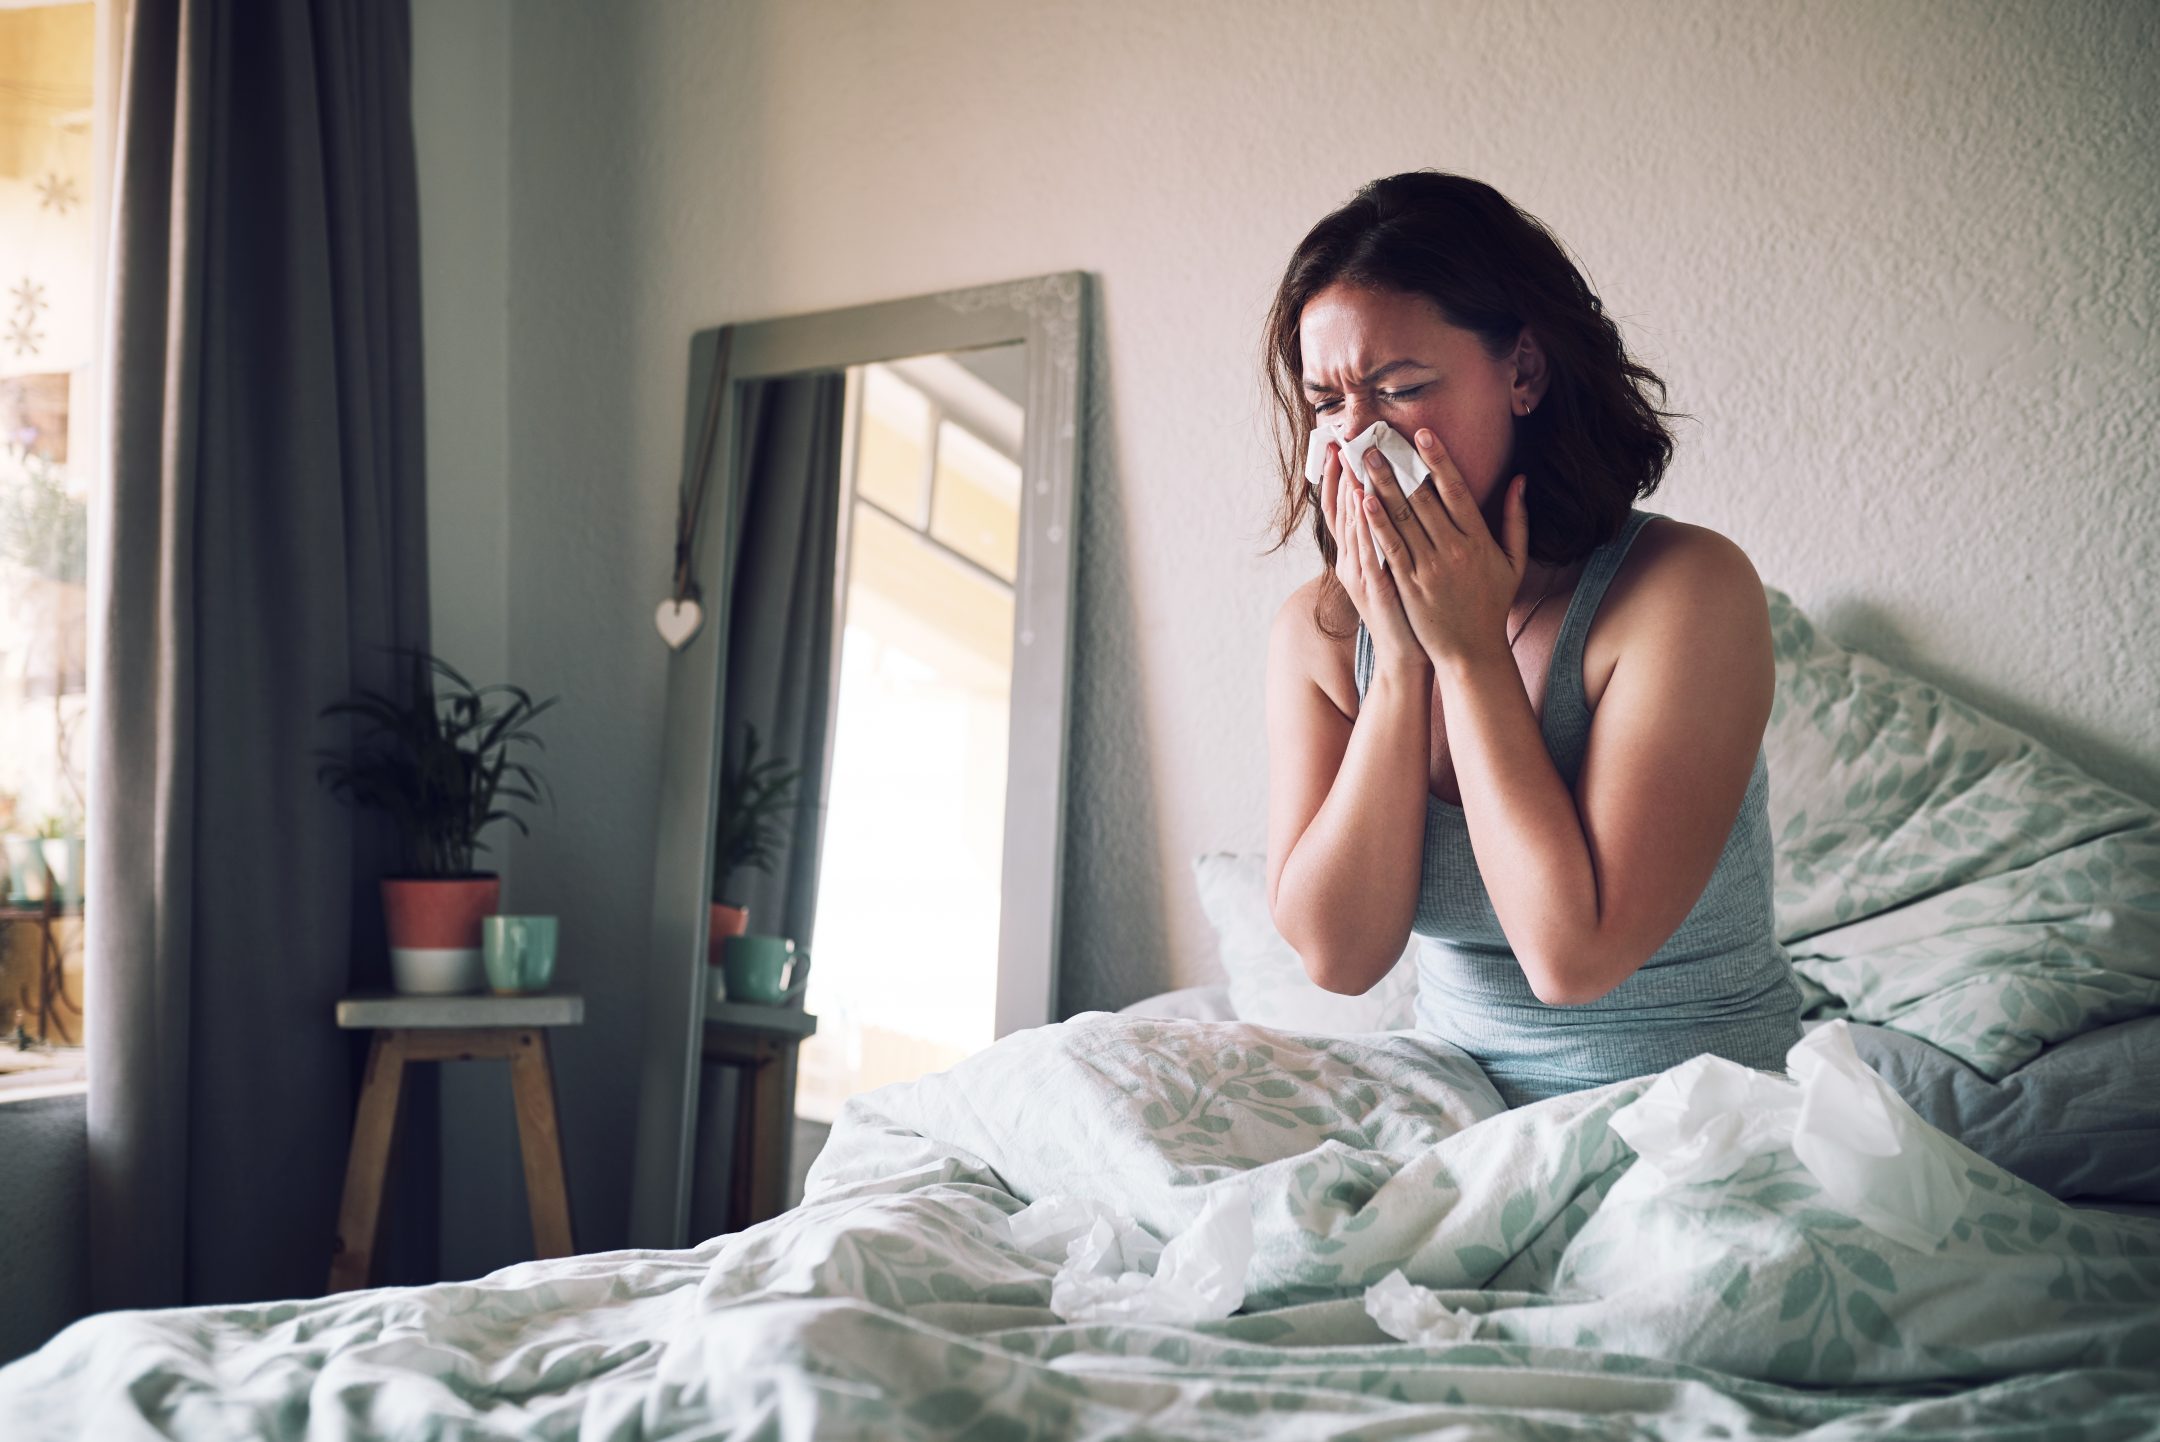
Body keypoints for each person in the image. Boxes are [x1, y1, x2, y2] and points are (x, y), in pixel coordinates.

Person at [1262, 171, 1802, 1107]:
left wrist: (1468, 654)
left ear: (1522, 373)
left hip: (1689, 1117)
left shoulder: (1684, 593)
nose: (1355, 445)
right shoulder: (1322, 629)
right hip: (1458, 1119)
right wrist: (1400, 664)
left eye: (1397, 391)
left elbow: (1570, 956)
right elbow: (1338, 958)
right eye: (1326, 405)